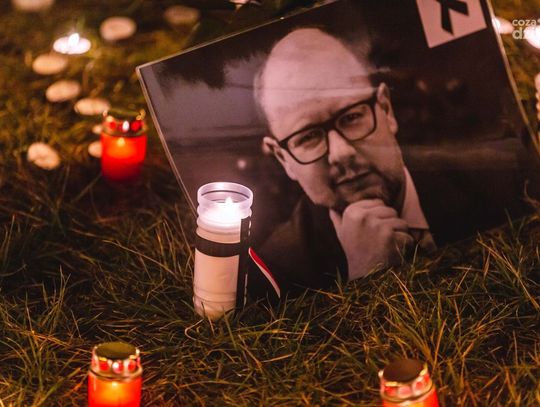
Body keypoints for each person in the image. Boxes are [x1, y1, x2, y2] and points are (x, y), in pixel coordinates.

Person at [248, 27, 436, 297]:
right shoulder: (276, 275)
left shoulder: (493, 186)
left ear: (386, 110)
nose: (341, 153)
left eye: (352, 117)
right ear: (283, 158)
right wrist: (364, 276)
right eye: (308, 137)